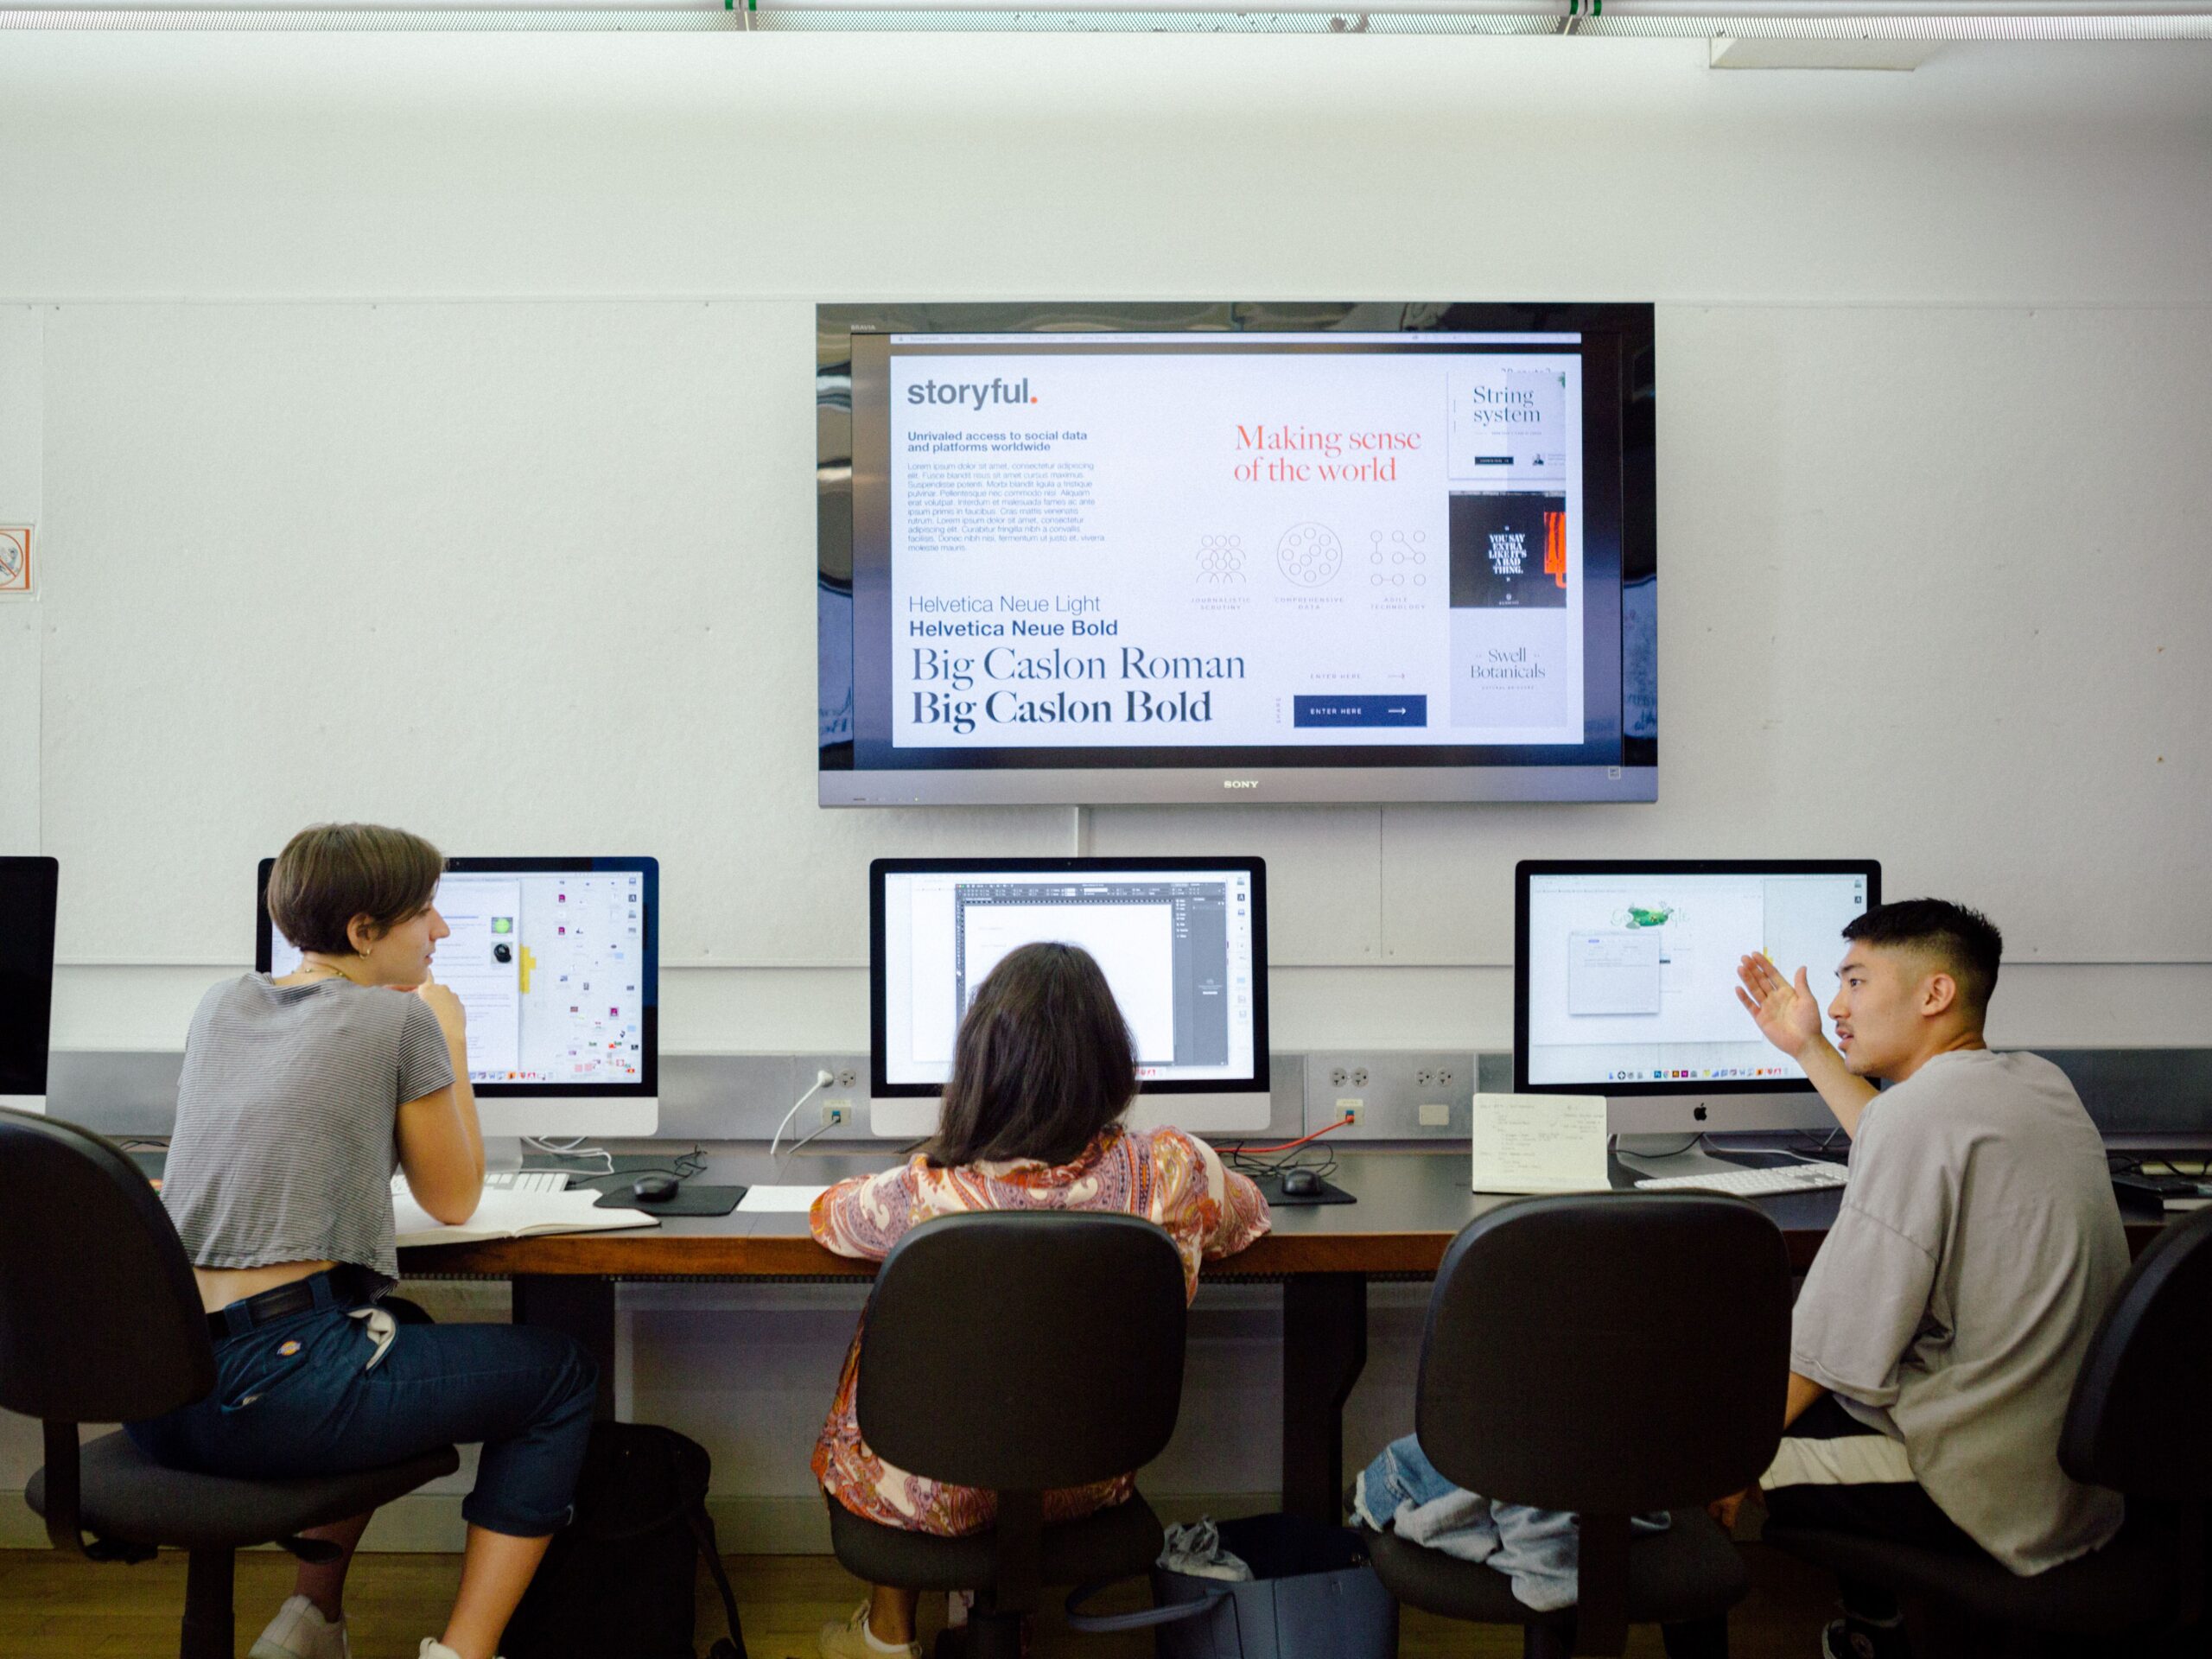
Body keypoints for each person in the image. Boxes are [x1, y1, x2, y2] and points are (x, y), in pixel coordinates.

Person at [129, 823, 598, 1659]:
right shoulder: (398, 1022)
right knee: (560, 1374)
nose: (444, 933)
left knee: (400, 1324)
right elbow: (453, 1201)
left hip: (162, 1389)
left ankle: (310, 1620)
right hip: (269, 1394)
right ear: (363, 933)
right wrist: (450, 1039)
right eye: (426, 913)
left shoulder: (223, 1002)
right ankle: (465, 1653)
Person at [808, 941, 1273, 1659]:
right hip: (1086, 1480)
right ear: (1113, 1059)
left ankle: (885, 1636)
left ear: (982, 1065)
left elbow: (829, 1216)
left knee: (902, 1364)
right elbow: (1250, 1215)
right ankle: (986, 1622)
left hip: (924, 1488)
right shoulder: (1176, 1170)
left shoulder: (926, 1192)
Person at [1722, 899, 2126, 1659]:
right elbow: (1895, 1132)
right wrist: (1809, 1046)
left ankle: (1875, 1633)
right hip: (2077, 1474)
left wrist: (1724, 1455)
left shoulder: (1922, 1118)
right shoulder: (2036, 1083)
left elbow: (1831, 1348)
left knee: (1696, 1437)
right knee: (1799, 1395)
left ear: (1934, 994)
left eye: (1855, 983)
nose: (1835, 1006)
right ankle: (1876, 1624)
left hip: (1997, 1495)